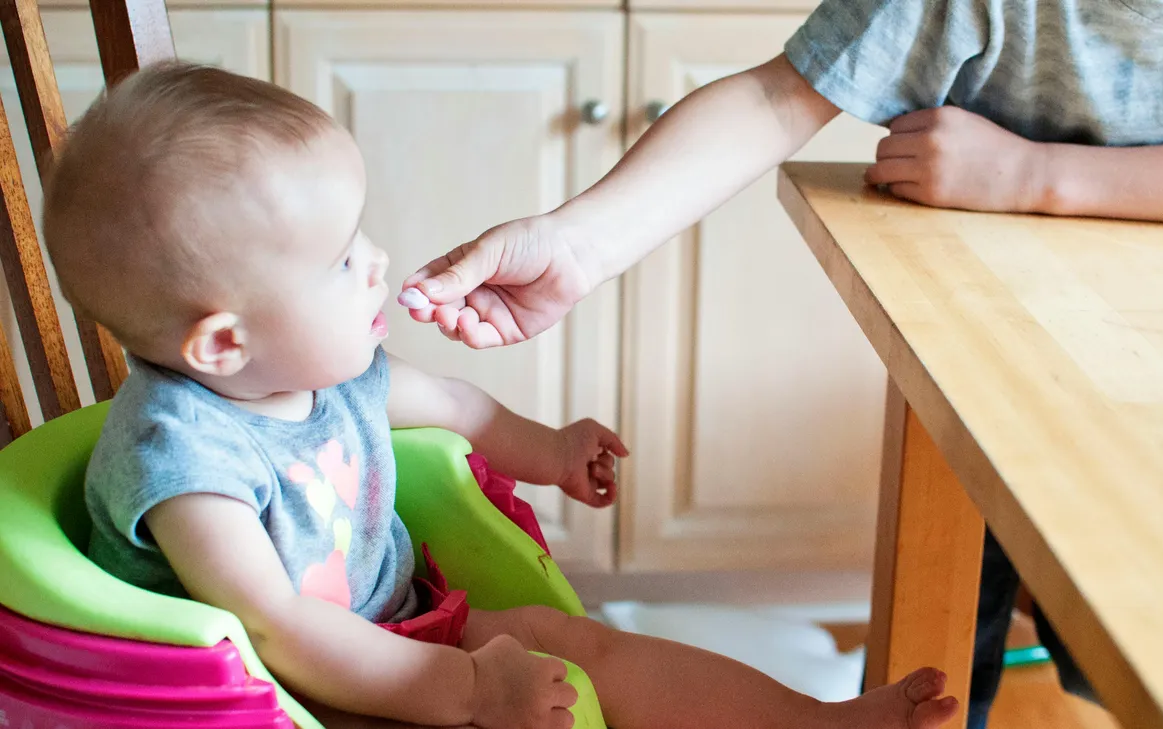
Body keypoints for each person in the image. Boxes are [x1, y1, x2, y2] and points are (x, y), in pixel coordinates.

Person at [394, 1, 1163, 725]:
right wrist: (578, 245)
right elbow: (781, 98)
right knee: (949, 651)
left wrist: (1035, 175)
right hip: (983, 370)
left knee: (1141, 656)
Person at [44, 61, 960, 729]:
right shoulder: (188, 464)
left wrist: (553, 450)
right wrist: (468, 690)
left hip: (397, 628)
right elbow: (275, 630)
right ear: (223, 342)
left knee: (578, 643)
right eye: (339, 262)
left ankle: (814, 721)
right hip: (275, 696)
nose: (378, 264)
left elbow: (456, 405)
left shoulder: (320, 370)